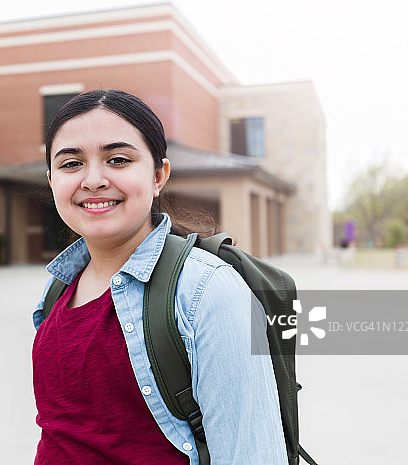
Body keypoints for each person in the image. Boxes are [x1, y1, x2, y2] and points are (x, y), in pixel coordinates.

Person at [31, 89, 288, 464]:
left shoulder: (208, 290)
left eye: (117, 160)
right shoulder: (58, 287)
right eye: (71, 164)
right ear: (52, 181)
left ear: (158, 176)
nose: (93, 179)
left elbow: (252, 455)